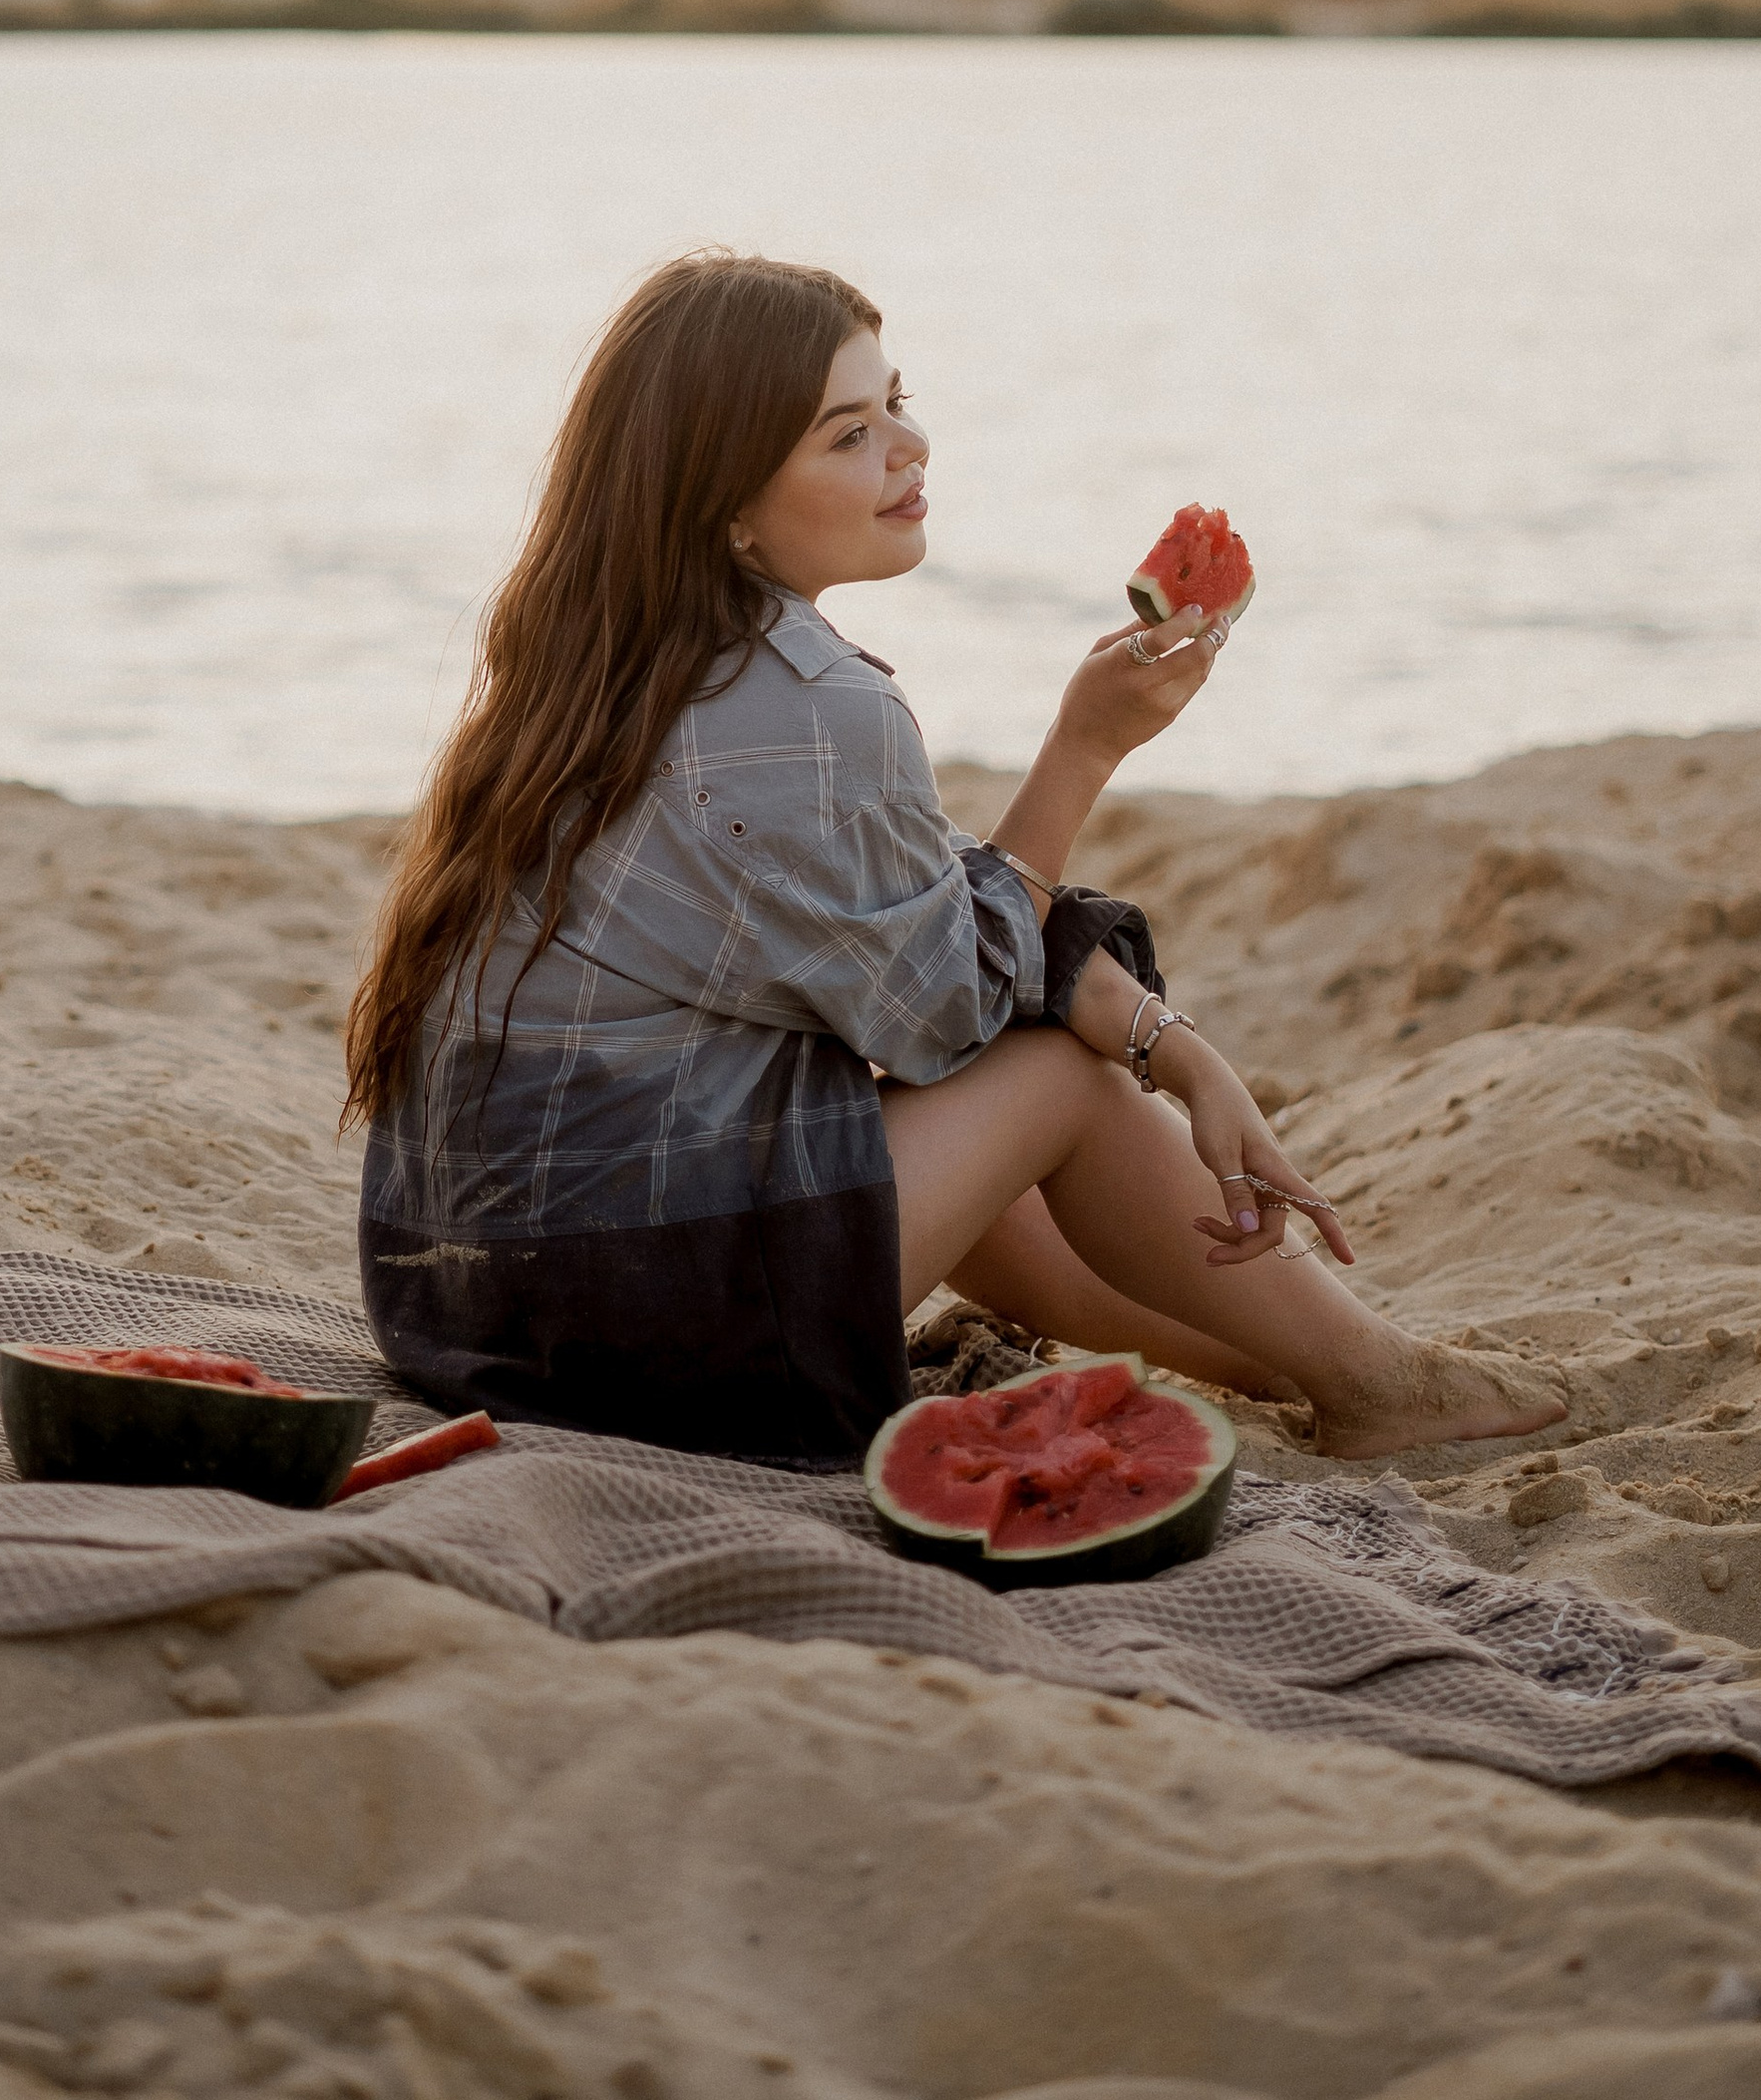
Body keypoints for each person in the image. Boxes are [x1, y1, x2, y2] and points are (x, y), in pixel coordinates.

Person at [347, 249, 1565, 1467]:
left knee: (913, 1130)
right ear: (723, 504)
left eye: (896, 404)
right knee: (1047, 1085)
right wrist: (1083, 753)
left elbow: (922, 920)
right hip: (646, 1343)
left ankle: (1285, 1359)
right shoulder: (813, 709)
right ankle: (1375, 1380)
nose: (907, 447)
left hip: (455, 1311)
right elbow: (946, 1009)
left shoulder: (593, 670)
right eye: (846, 434)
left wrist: (1168, 1040)